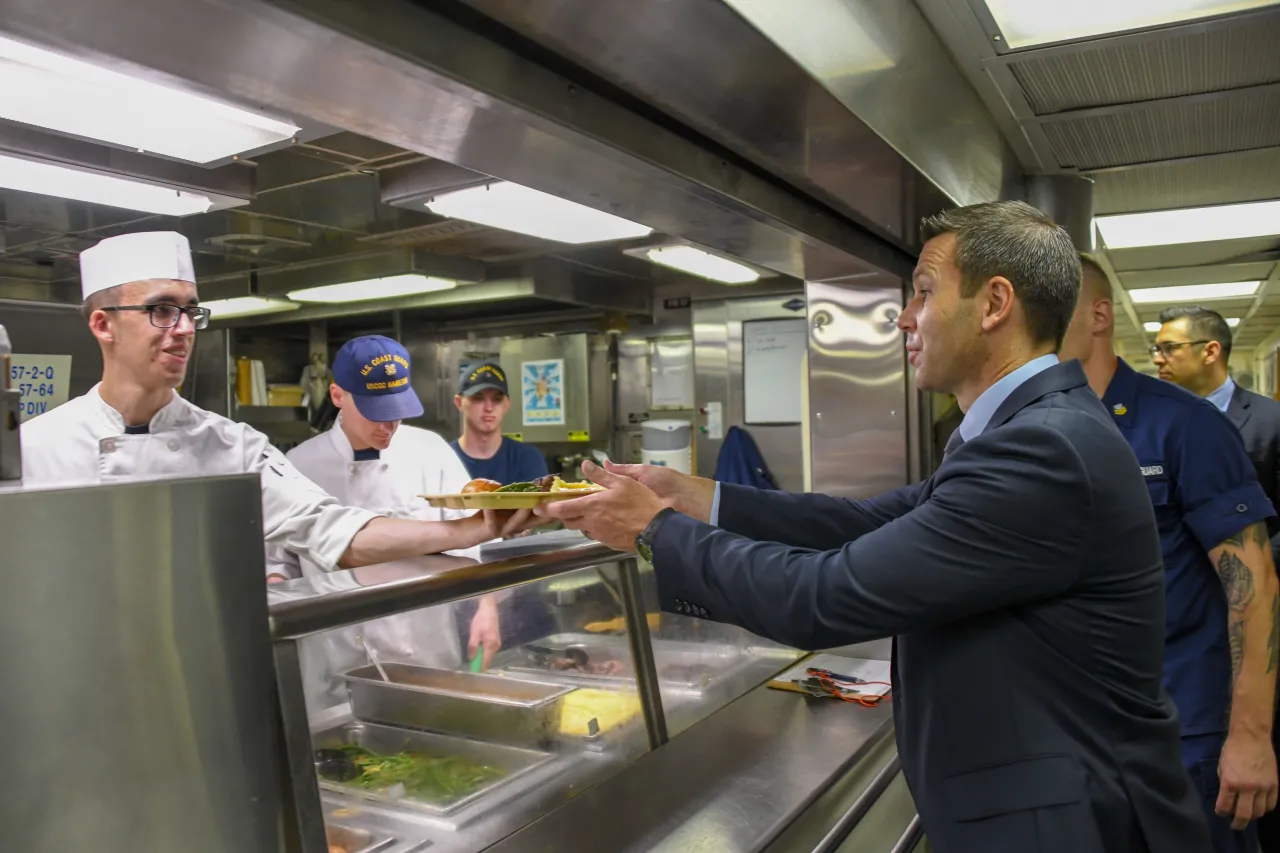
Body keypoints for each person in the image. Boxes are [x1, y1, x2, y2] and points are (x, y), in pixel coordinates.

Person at [538, 200, 1212, 851]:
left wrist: (655, 531)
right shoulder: (1023, 432)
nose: (904, 319)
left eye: (923, 293)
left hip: (1070, 825)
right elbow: (858, 521)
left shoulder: (1043, 448)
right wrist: (694, 494)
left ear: (995, 303)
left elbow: (828, 594)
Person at [21, 231, 522, 574]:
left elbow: (334, 530)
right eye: (160, 310)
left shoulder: (232, 446)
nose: (182, 330)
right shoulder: (33, 448)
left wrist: (473, 527)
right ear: (103, 324)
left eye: (190, 312)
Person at [1057, 256, 1279, 851]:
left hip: (1186, 728)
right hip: (1077, 733)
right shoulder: (1038, 432)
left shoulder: (1183, 426)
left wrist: (1252, 737)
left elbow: (1253, 585)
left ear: (1099, 314)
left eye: (1055, 300)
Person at [266, 335, 503, 708]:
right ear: (338, 395)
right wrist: (277, 587)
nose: (388, 424)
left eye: (397, 409)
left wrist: (486, 609)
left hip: (425, 651)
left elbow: (478, 542)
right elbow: (279, 563)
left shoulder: (430, 452)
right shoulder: (298, 466)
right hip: (335, 661)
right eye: (375, 410)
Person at [1154, 306, 1280, 561]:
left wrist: (1261, 564)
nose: (1158, 359)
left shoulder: (1271, 420)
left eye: (1170, 348)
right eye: (1156, 349)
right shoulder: (1150, 424)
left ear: (1210, 351)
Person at [450, 362, 549, 484]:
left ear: (507, 404)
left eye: (497, 399)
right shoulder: (444, 460)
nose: (489, 407)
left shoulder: (528, 459)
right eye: (478, 398)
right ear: (459, 403)